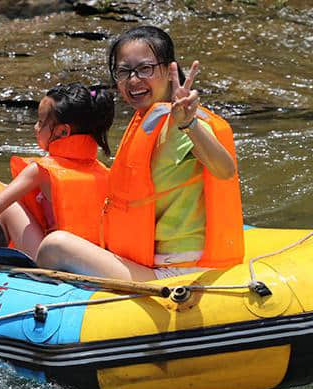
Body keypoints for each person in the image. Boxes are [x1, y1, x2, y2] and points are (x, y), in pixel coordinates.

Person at [34, 26, 244, 281]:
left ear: (169, 71)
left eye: (145, 69)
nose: (133, 81)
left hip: (177, 271)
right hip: (144, 261)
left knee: (54, 246)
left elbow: (225, 169)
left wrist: (189, 124)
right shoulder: (147, 120)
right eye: (124, 72)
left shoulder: (185, 124)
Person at [0, 83, 115, 259]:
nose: (35, 127)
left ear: (63, 131)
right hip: (91, 261)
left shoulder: (40, 171)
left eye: (40, 122)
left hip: (53, 260)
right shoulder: (103, 171)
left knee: (9, 204)